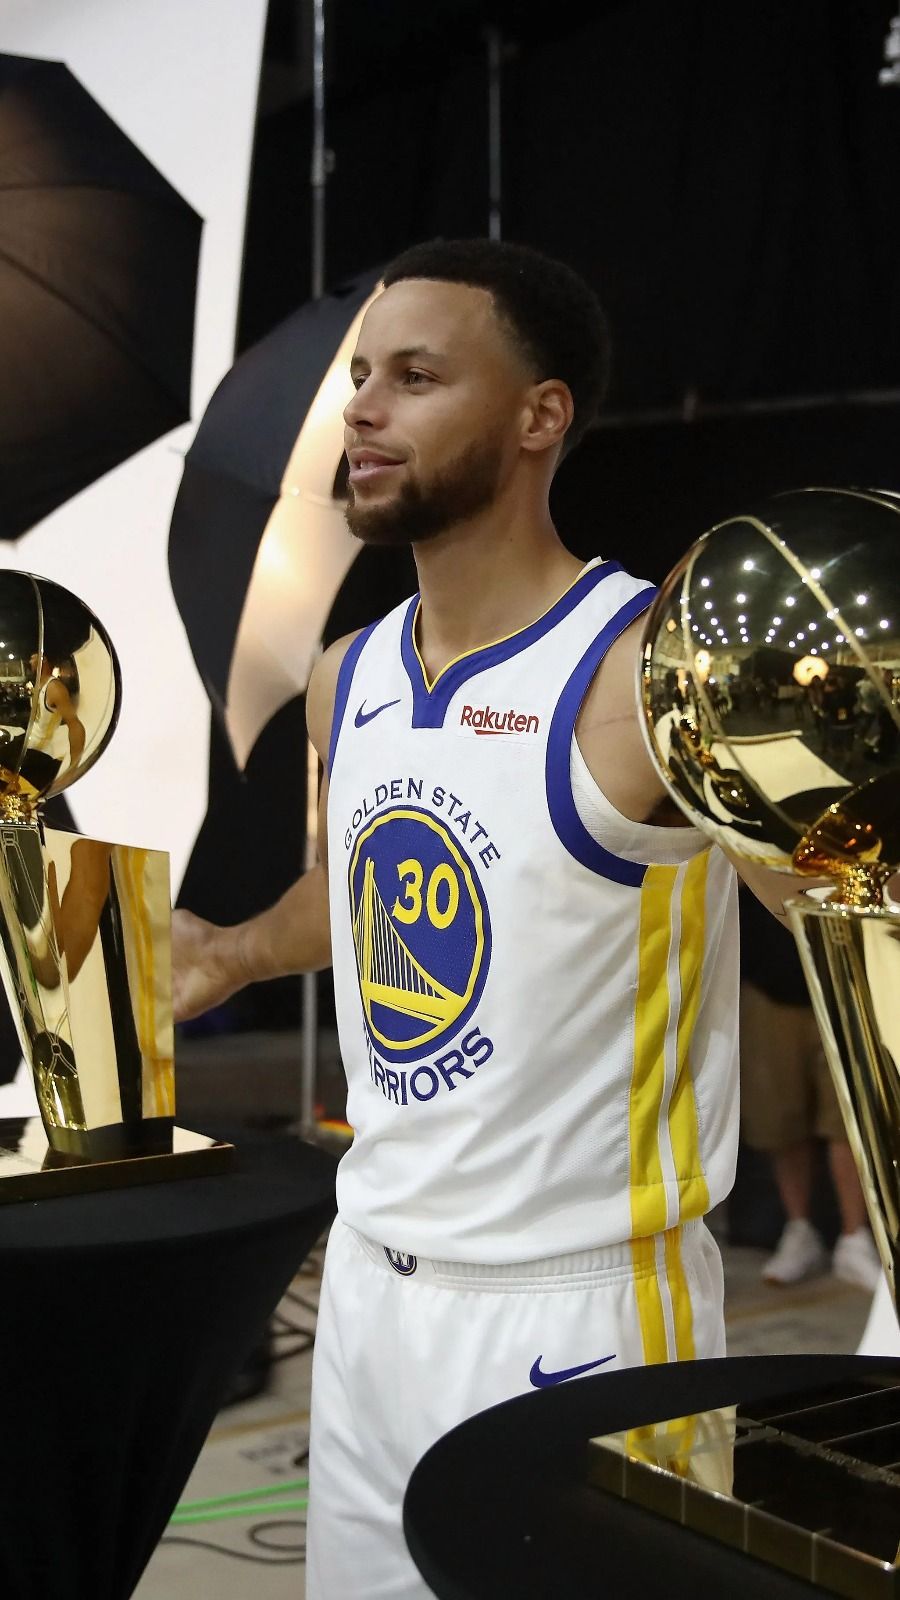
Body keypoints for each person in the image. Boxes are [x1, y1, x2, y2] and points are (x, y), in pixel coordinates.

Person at [172, 238, 806, 1599]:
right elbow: (356, 907)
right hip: (368, 1292)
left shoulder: (648, 666)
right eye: (359, 379)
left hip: (579, 1308)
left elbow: (830, 915)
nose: (363, 411)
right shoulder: (351, 679)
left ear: (540, 416)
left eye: (415, 376)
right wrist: (221, 951)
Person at [738, 884, 880, 1289]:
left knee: (851, 1118)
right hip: (770, 980)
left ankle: (855, 1238)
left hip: (849, 978)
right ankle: (800, 1229)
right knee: (779, 1118)